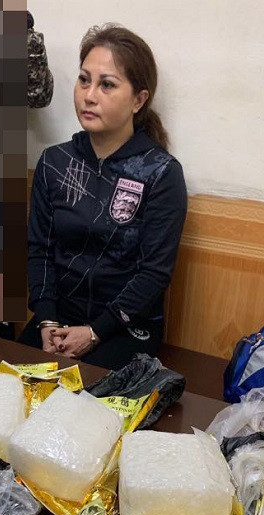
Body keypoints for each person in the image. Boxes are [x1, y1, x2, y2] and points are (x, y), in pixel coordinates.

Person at [19, 24, 187, 370]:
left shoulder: (160, 173)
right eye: (84, 80)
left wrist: (95, 332)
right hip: (57, 321)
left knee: (83, 397)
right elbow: (39, 250)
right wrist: (47, 320)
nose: (89, 95)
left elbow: (153, 274)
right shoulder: (54, 162)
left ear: (138, 100)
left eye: (106, 84)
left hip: (124, 327)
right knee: (8, 385)